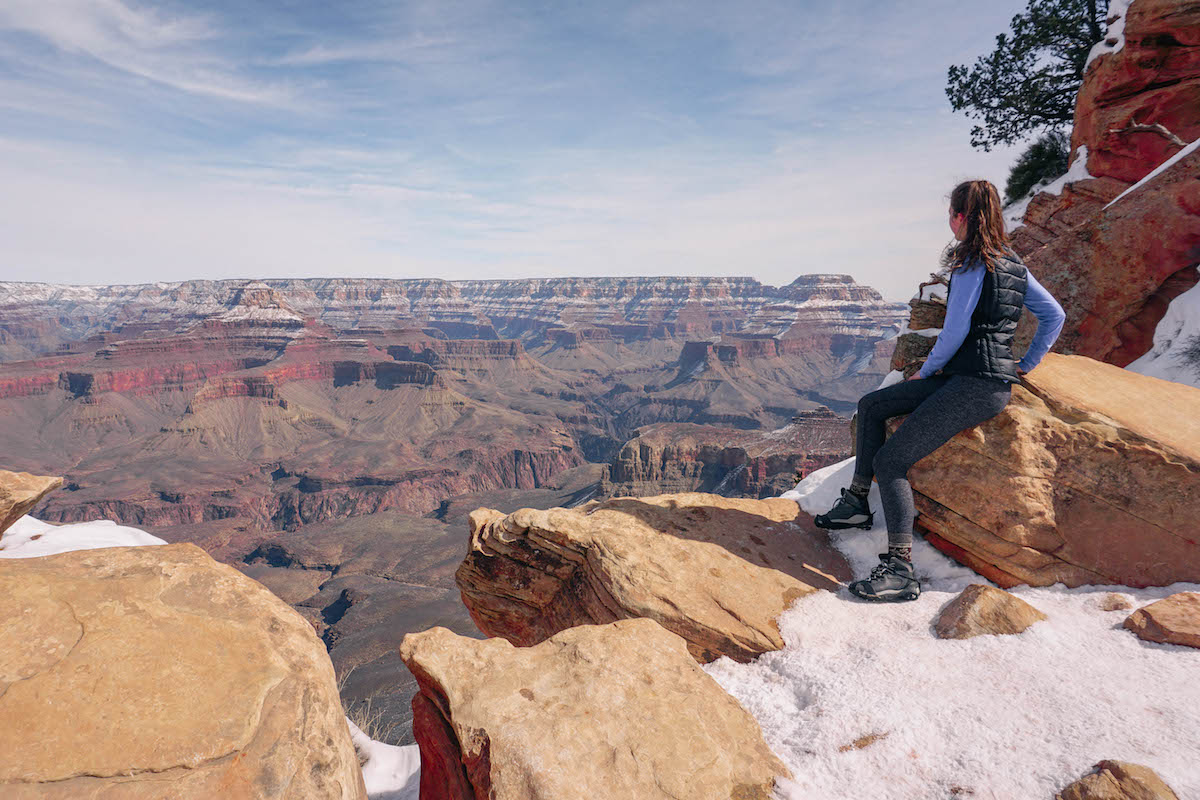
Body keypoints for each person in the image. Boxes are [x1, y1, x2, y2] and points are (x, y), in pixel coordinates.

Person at [813, 179, 1065, 602]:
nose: (949, 222)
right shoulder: (1013, 263)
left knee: (892, 461)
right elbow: (1053, 315)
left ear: (961, 217)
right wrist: (1024, 364)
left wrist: (925, 372)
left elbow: (954, 332)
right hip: (977, 381)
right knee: (873, 404)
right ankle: (857, 504)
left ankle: (900, 569)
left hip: (974, 386)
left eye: (951, 214)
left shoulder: (971, 263)